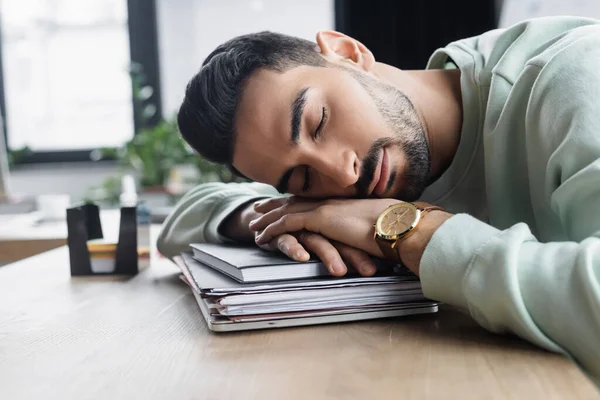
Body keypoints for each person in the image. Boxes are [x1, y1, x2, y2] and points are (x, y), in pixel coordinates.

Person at [158, 16, 600, 384]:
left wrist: (412, 231)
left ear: (348, 53)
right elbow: (184, 217)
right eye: (301, 177)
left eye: (318, 121)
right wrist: (276, 222)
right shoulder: (369, 171)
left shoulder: (576, 74)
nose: (343, 173)